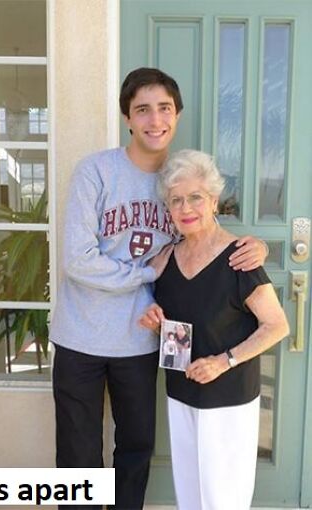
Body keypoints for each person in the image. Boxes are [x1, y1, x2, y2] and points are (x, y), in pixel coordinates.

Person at [49, 67, 268, 509]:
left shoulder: (178, 180)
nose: (154, 120)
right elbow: (77, 260)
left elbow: (207, 235)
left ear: (177, 115)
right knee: (77, 456)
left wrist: (255, 246)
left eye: (163, 108)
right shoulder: (96, 171)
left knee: (134, 452)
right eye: (142, 110)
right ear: (127, 118)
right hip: (81, 336)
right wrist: (146, 273)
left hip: (142, 341)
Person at [139, 149, 289, 509]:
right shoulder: (164, 259)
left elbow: (277, 325)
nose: (186, 208)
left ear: (214, 201)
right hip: (181, 392)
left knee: (224, 497)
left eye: (195, 197)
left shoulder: (241, 257)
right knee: (190, 494)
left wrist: (224, 361)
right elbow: (168, 317)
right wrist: (152, 318)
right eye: (176, 200)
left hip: (229, 399)